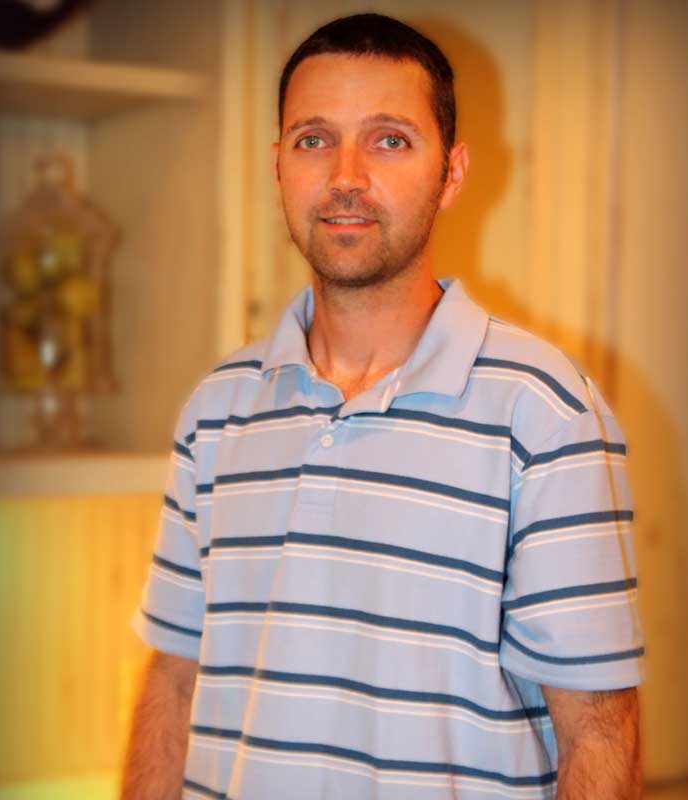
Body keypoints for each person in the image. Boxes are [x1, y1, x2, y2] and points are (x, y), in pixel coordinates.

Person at [120, 13, 644, 800]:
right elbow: (173, 681)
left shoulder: (546, 415)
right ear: (278, 166)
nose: (346, 176)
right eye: (313, 139)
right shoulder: (216, 411)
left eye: (390, 139)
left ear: (452, 172)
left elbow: (600, 735)